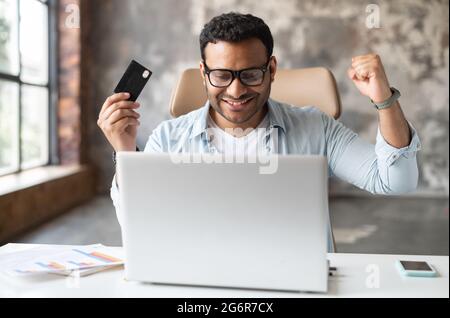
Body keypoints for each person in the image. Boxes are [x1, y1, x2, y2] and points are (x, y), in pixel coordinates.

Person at [97, 12, 421, 252]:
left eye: (251, 74)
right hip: (203, 284)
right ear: (203, 73)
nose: (236, 91)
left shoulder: (315, 127)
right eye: (222, 75)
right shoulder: (169, 138)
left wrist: (384, 101)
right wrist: (125, 153)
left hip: (295, 284)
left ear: (272, 69)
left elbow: (395, 181)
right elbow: (142, 225)